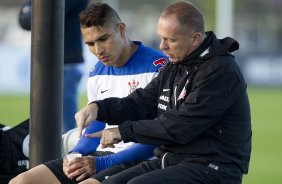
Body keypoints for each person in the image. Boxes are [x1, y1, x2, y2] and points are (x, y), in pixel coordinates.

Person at [75, 1, 252, 183]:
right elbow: (141, 101)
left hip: (214, 167)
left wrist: (123, 131)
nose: (162, 46)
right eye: (161, 38)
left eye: (171, 40)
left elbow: (181, 125)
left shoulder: (220, 71)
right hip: (173, 159)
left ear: (195, 39)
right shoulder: (175, 65)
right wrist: (99, 108)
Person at [9, 2, 168, 184]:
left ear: (122, 30)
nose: (98, 50)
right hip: (99, 157)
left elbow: (160, 134)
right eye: (90, 43)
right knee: (22, 181)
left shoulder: (159, 66)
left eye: (104, 39)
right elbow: (96, 125)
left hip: (139, 161)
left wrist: (102, 162)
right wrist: (76, 154)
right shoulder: (96, 73)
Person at [18, 0, 89, 133]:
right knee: (43, 120)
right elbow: (25, 21)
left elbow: (44, 17)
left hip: (66, 61)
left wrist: (31, 10)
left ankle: (71, 152)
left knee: (65, 125)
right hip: (46, 62)